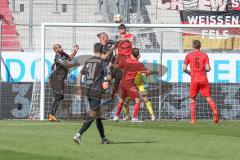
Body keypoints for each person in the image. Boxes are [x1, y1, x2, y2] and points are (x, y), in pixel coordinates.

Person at [73, 43, 112, 144]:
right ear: (102, 50)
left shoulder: (88, 61)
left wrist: (79, 87)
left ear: (94, 50)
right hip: (96, 91)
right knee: (93, 114)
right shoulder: (103, 62)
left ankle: (103, 138)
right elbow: (108, 78)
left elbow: (80, 74)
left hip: (87, 90)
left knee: (98, 115)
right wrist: (108, 82)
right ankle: (78, 135)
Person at [113, 48, 157, 122]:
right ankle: (134, 118)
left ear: (131, 54)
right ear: (139, 55)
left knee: (121, 100)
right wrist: (155, 72)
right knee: (137, 100)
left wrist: (116, 57)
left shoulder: (126, 60)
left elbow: (118, 66)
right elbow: (147, 72)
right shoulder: (139, 64)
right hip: (130, 85)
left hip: (122, 83)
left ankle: (116, 116)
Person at [183, 40, 219, 124]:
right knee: (208, 97)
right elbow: (208, 68)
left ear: (193, 46)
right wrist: (207, 69)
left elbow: (184, 69)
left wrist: (190, 73)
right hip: (203, 78)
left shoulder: (188, 55)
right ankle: (214, 111)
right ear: (200, 46)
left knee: (192, 99)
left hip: (194, 79)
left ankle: (193, 119)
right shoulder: (204, 55)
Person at [48, 44, 80, 122]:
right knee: (58, 97)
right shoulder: (57, 57)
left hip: (60, 80)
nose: (61, 48)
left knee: (59, 97)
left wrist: (75, 50)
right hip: (57, 80)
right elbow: (66, 65)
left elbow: (69, 58)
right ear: (56, 50)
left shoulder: (62, 55)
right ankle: (52, 115)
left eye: (61, 47)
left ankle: (52, 115)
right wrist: (74, 64)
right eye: (59, 47)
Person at [98, 32, 123, 99]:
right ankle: (100, 94)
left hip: (112, 65)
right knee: (108, 80)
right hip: (105, 66)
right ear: (100, 39)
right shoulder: (99, 46)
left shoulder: (110, 42)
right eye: (103, 36)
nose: (104, 37)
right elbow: (103, 58)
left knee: (119, 74)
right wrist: (112, 49)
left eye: (105, 36)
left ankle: (114, 93)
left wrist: (127, 38)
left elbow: (118, 41)